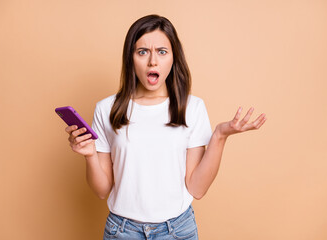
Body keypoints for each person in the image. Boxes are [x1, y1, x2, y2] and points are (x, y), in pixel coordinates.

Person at [65, 14, 266, 240]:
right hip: (122, 231)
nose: (153, 61)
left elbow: (197, 188)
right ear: (130, 58)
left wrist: (219, 136)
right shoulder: (107, 109)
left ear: (173, 58)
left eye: (162, 52)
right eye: (143, 52)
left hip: (177, 231)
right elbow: (102, 190)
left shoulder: (192, 107)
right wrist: (90, 155)